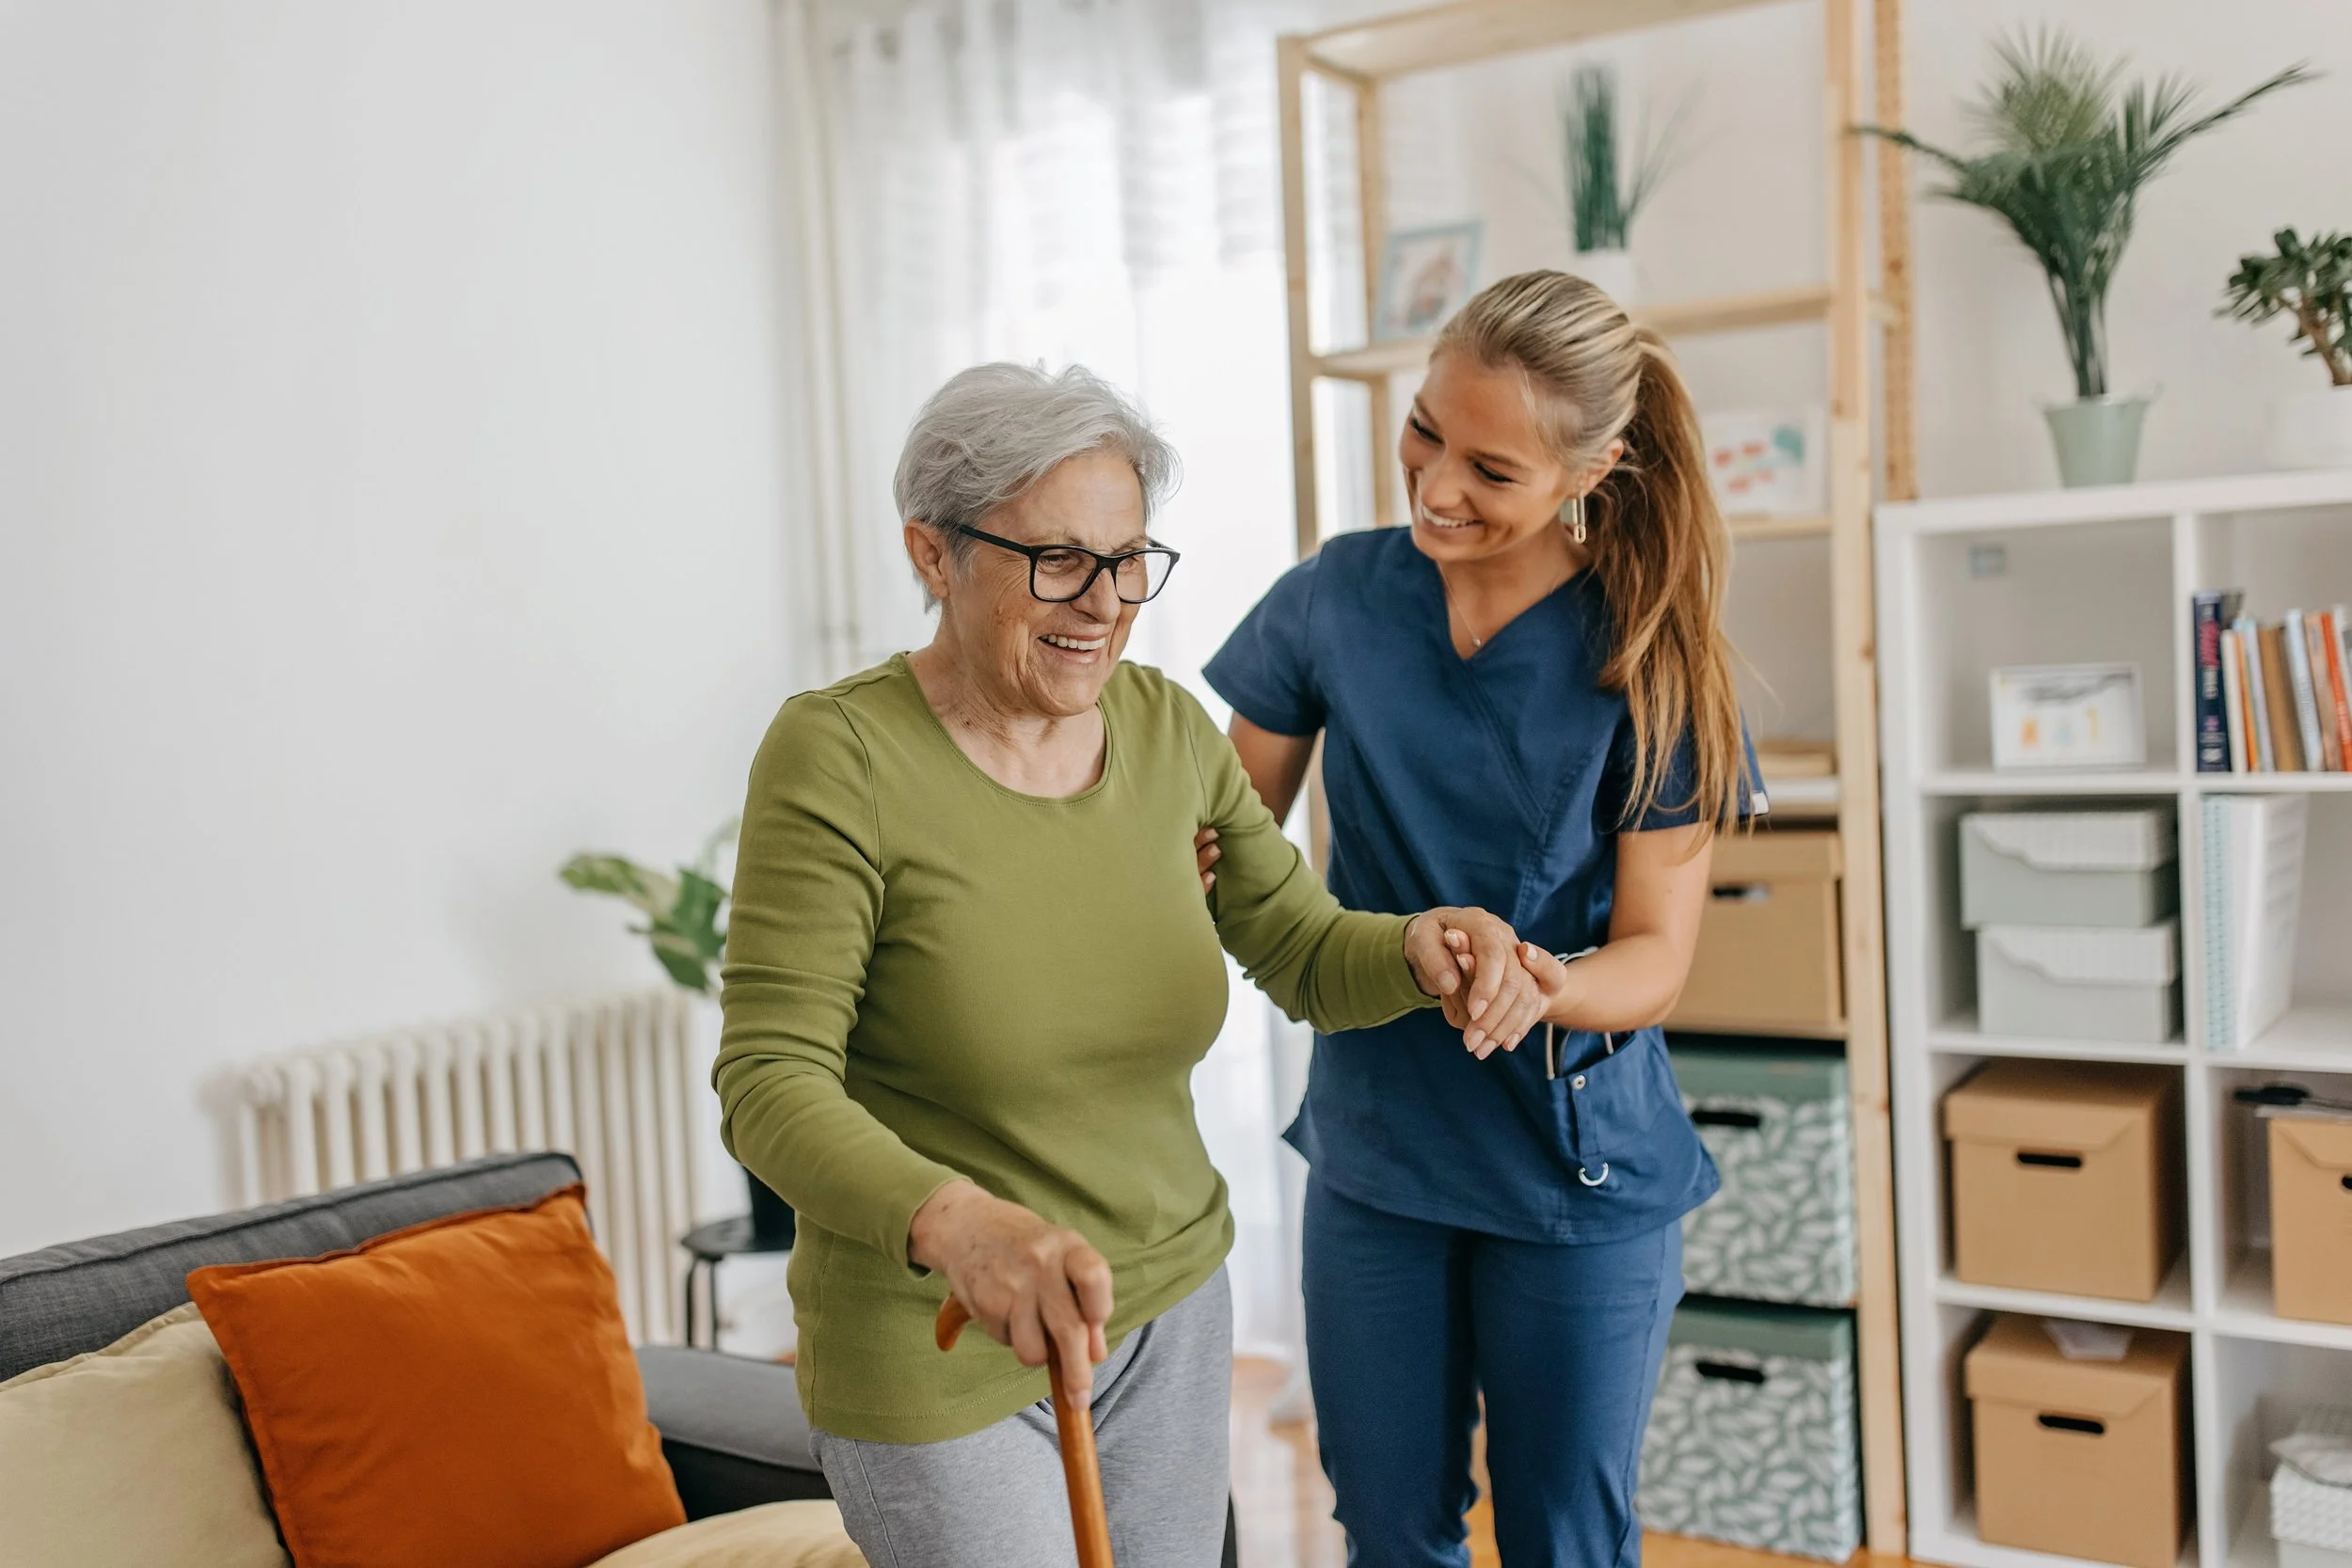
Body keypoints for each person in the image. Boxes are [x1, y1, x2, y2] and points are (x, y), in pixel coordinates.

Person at [715, 361, 1551, 1568]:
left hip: (1166, 1303)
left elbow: (1303, 949)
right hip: (940, 1330)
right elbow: (769, 1077)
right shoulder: (838, 755)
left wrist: (1419, 948)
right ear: (932, 553)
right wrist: (955, 1225)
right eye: (1058, 558)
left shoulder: (1163, 729)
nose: (1103, 602)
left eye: (1128, 561)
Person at [1200, 270, 1760, 1568]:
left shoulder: (1650, 650)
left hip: (1578, 1168)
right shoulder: (1333, 599)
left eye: (1491, 468)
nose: (1437, 484)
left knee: (1567, 1539)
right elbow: (1222, 848)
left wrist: (1541, 982)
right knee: (1389, 1530)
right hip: (1379, 1152)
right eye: (1424, 432)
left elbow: (1656, 955)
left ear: (1593, 467)